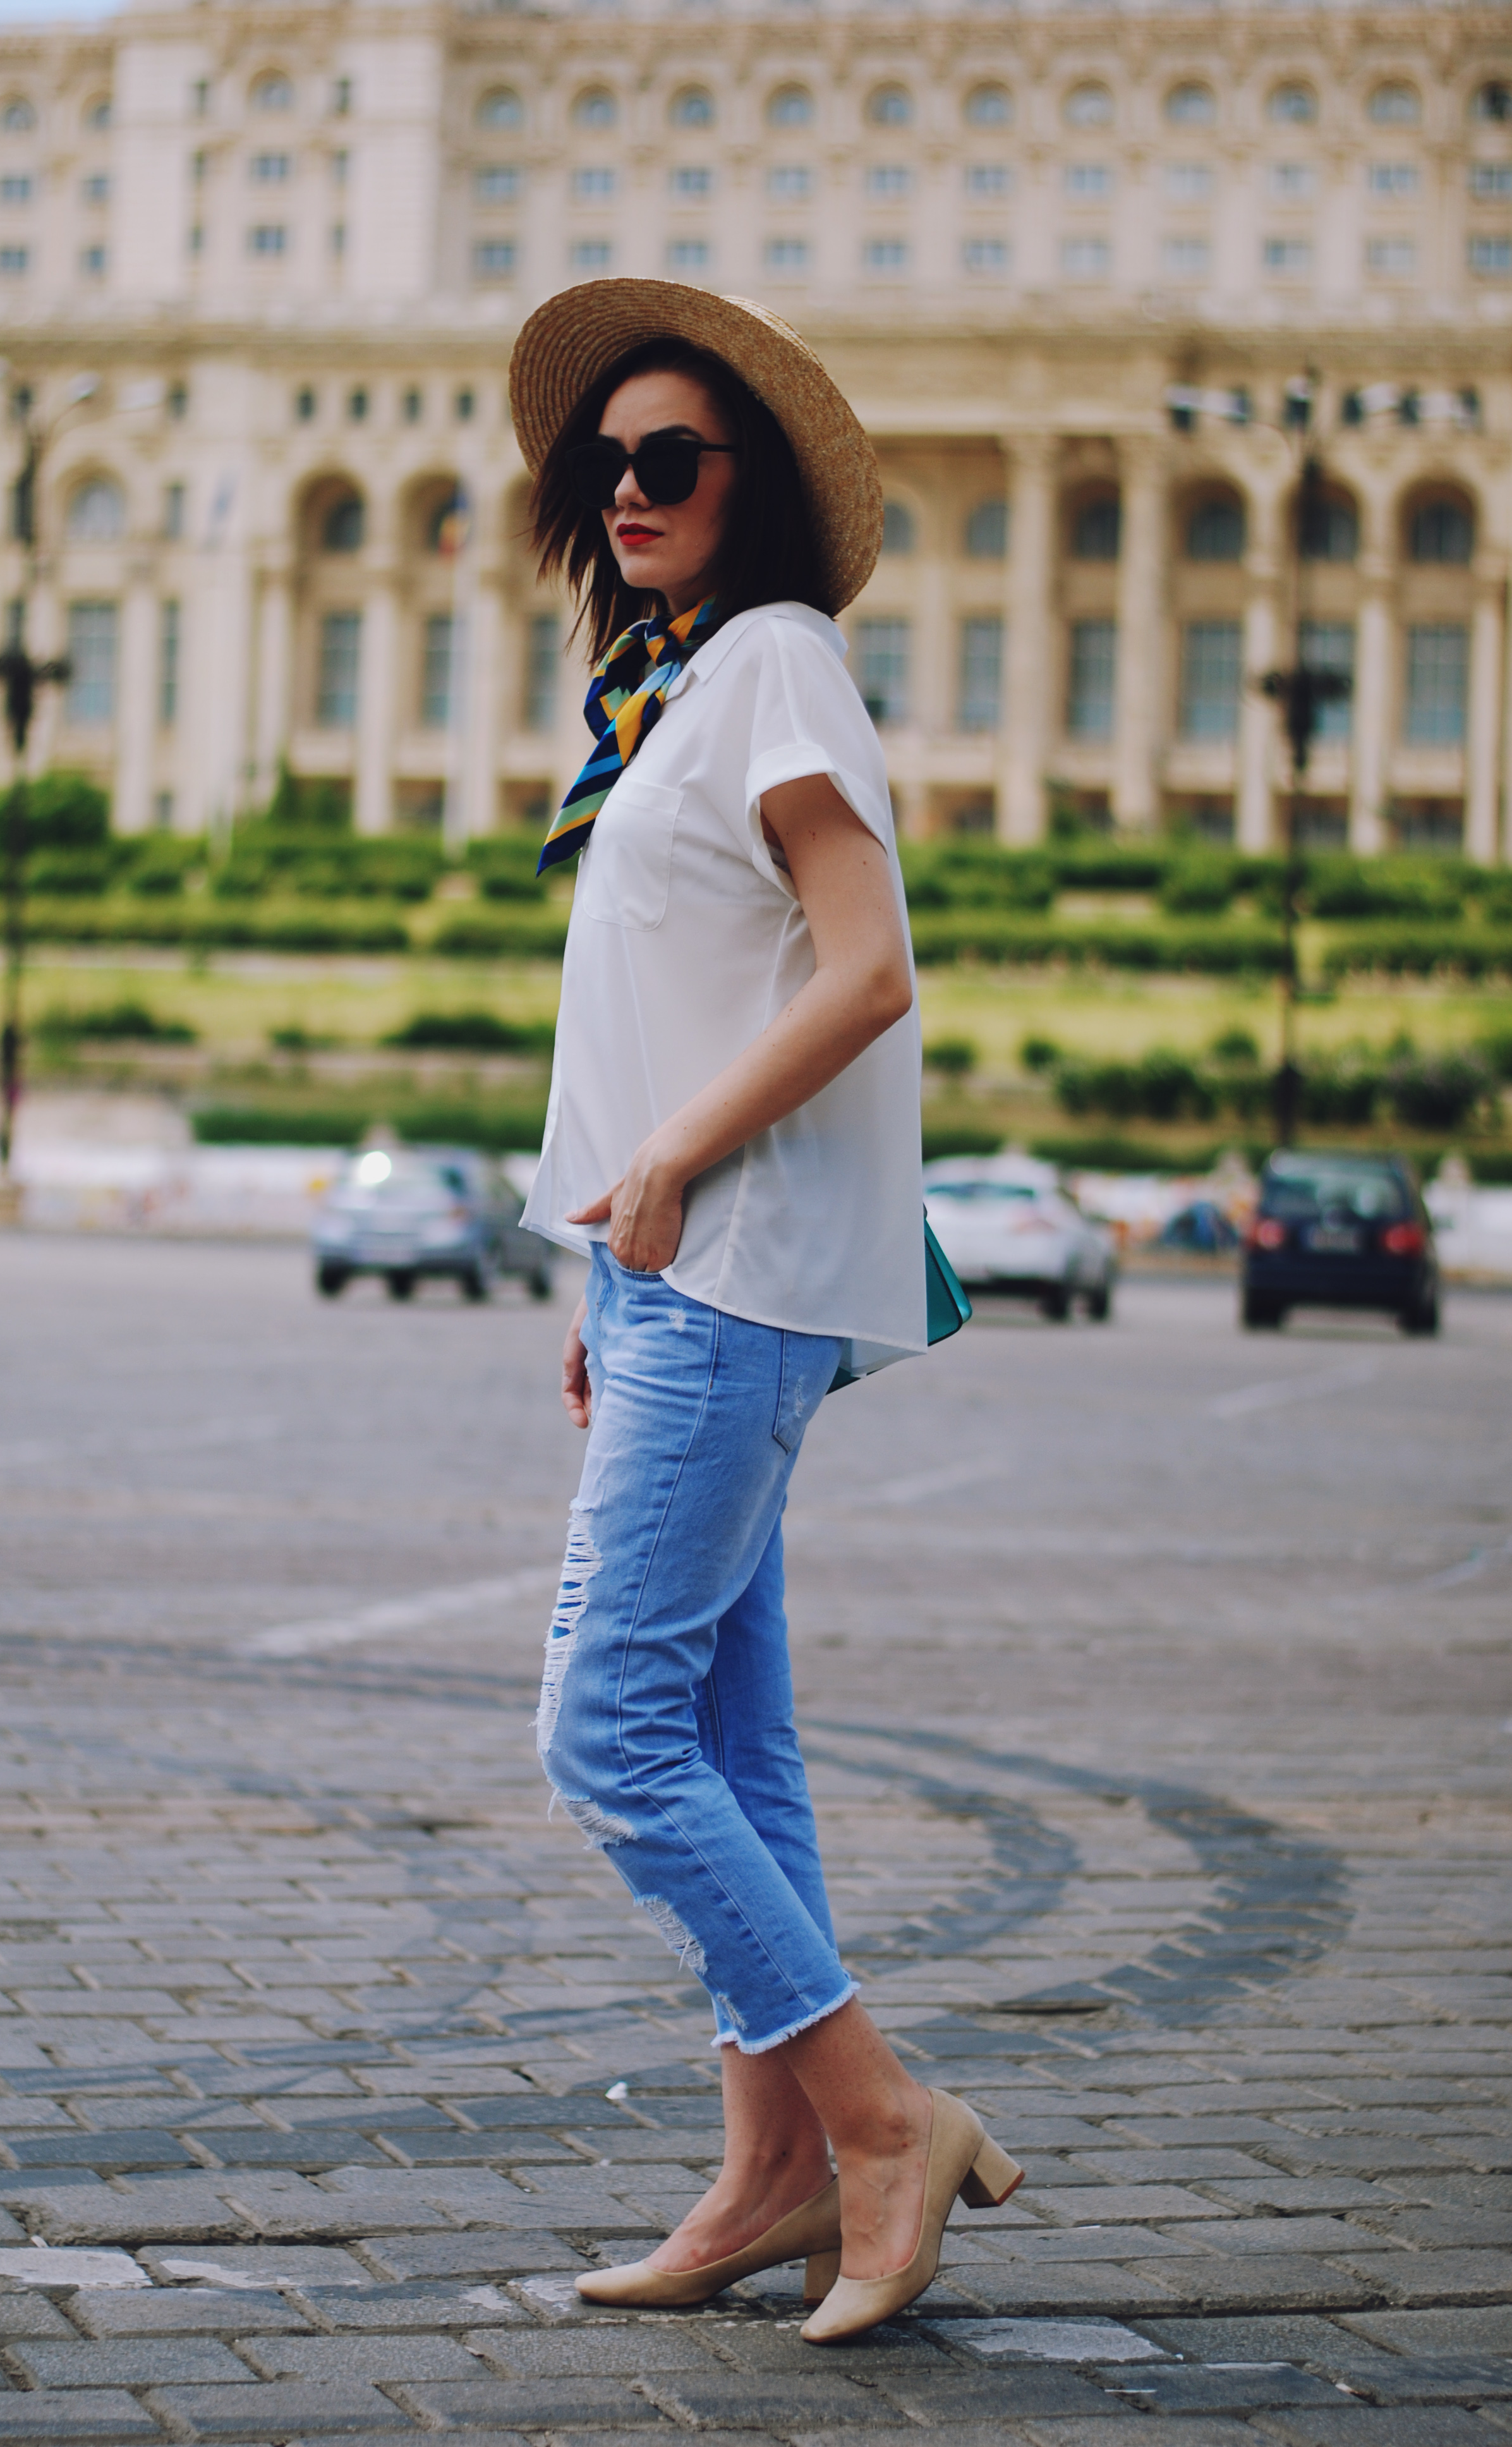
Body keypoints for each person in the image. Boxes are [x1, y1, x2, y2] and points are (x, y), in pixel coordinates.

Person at [509, 279, 1021, 2347]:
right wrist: (605, 1236)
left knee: (607, 1730)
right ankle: (769, 2177)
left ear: (760, 492)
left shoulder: (781, 662)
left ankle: (882, 2119)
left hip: (720, 1271)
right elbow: (687, 994)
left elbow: (869, 966)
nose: (628, 490)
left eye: (673, 461)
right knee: (736, 1741)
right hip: (670, 1279)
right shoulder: (681, 687)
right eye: (606, 463)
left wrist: (666, 1175)